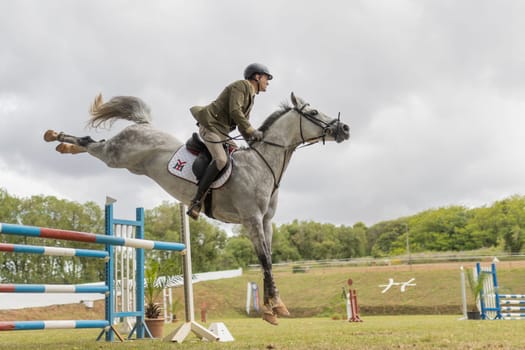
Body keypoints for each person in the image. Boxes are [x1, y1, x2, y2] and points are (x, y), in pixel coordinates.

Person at [187, 63, 273, 219]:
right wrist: (252, 130)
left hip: (222, 133)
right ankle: (197, 201)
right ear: (257, 76)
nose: (268, 82)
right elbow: (235, 111)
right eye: (267, 78)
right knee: (220, 160)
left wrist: (253, 145)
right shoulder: (241, 86)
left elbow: (242, 126)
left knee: (238, 157)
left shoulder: (251, 97)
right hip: (210, 127)